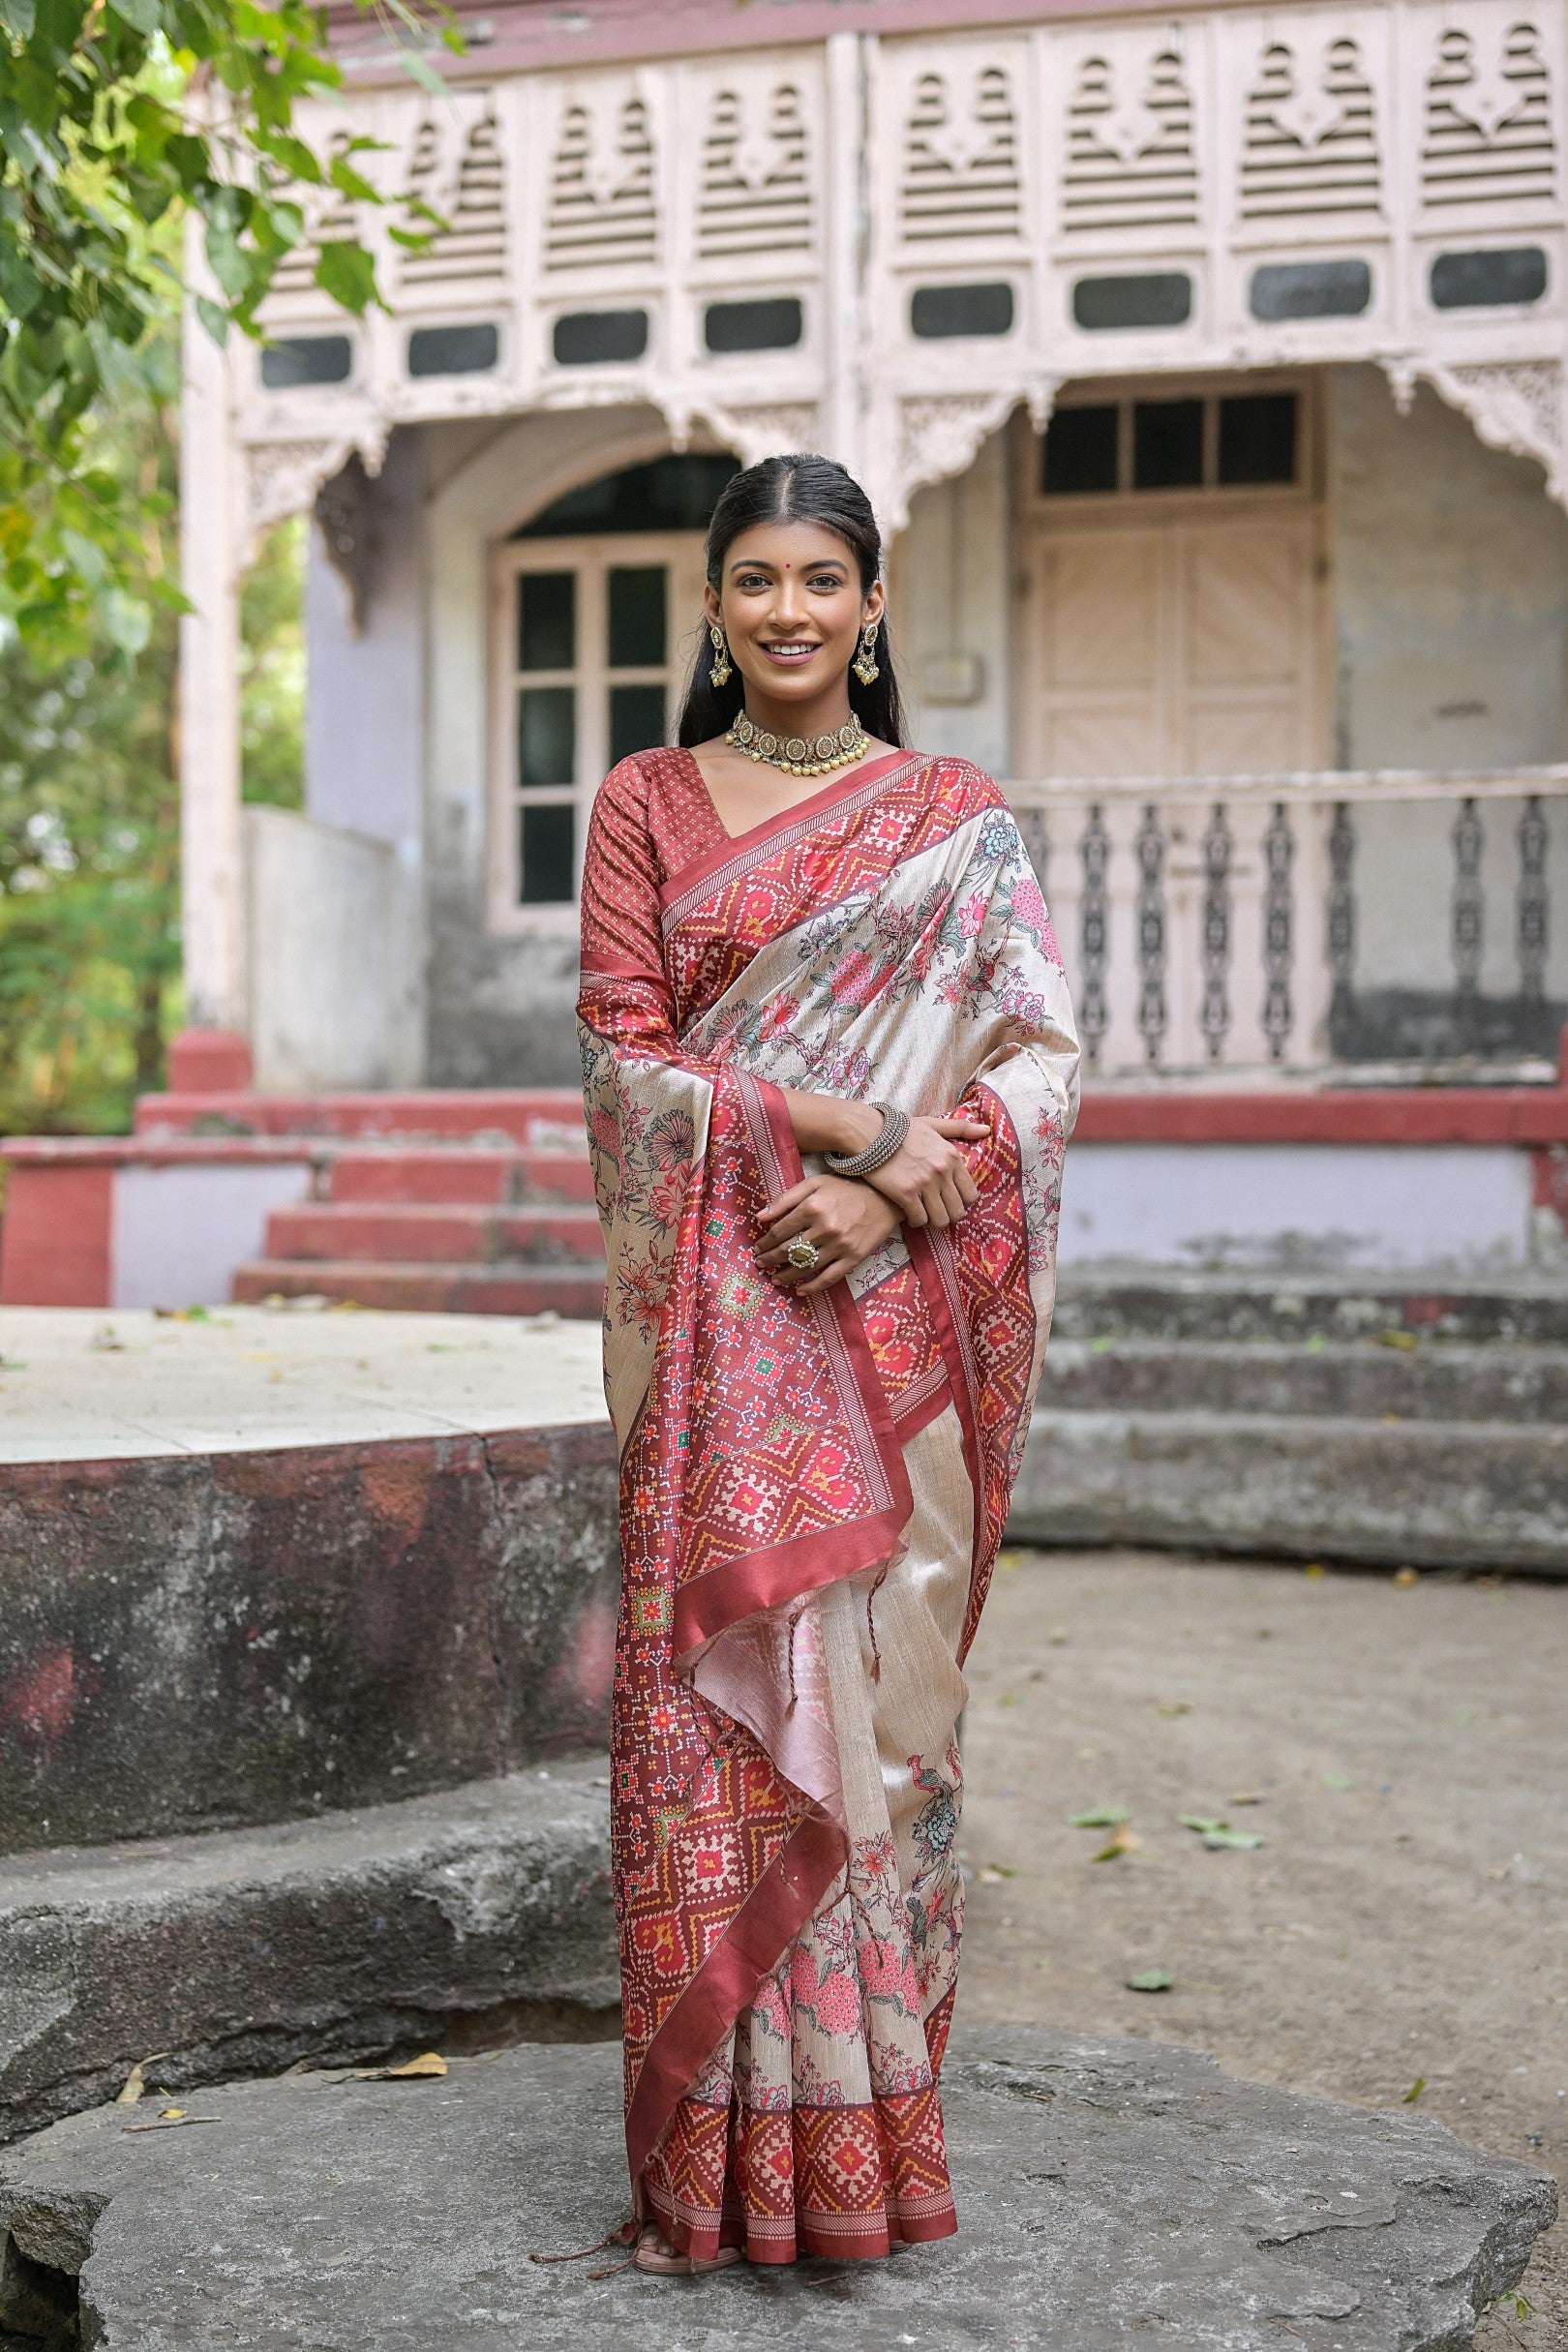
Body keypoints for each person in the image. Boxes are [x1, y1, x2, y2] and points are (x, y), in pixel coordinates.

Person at [576, 452, 1079, 2275]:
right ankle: (717, 2163)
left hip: (893, 1320)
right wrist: (862, 1127)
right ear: (711, 609)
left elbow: (1039, 1059)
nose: (789, 610)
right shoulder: (644, 801)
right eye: (755, 580)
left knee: (889, 1719)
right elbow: (627, 1064)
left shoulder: (952, 814)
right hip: (715, 1322)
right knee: (714, 1721)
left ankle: (868, 2144)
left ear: (874, 610)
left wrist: (892, 1204)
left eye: (824, 579)